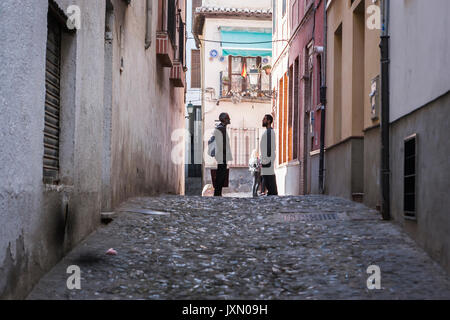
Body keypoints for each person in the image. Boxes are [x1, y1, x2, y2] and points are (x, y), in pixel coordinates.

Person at [212, 113, 233, 196]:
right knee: (221, 175)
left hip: (221, 155)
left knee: (220, 174)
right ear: (224, 119)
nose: (229, 119)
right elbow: (221, 143)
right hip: (222, 155)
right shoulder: (221, 129)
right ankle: (217, 193)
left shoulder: (220, 128)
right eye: (228, 118)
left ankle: (217, 193)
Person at [260, 114, 278, 196]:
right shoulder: (268, 131)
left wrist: (266, 159)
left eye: (264, 119)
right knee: (267, 176)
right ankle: (272, 192)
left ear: (269, 121)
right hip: (266, 157)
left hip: (267, 157)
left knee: (269, 176)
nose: (263, 120)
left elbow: (269, 145)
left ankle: (273, 193)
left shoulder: (269, 131)